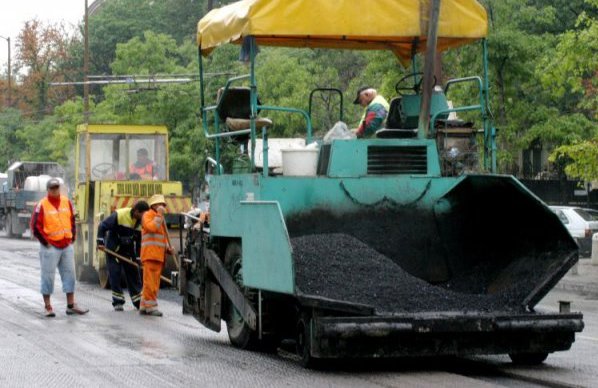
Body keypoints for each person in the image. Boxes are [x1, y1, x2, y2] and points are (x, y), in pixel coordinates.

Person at [31, 178, 89, 318]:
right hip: (50, 247)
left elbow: (72, 221)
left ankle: (71, 305)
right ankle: (48, 307)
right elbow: (35, 227)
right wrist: (46, 243)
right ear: (48, 190)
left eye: (57, 187)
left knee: (70, 275)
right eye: (52, 188)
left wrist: (72, 237)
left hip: (66, 245)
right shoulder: (42, 205)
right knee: (48, 277)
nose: (55, 190)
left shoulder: (66, 202)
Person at [96, 201, 150, 311]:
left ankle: (138, 301)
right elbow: (102, 226)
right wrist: (100, 242)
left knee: (133, 273)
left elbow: (139, 241)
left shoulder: (141, 222)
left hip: (128, 250)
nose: (144, 217)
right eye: (142, 214)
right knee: (115, 273)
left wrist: (139, 258)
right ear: (136, 211)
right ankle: (118, 302)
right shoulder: (119, 215)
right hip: (114, 249)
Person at [139, 194, 173, 316]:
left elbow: (159, 238)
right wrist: (159, 215)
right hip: (150, 255)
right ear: (153, 205)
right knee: (150, 283)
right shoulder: (148, 215)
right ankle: (151, 307)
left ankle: (144, 305)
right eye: (160, 204)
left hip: (157, 255)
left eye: (163, 205)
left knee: (152, 282)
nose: (162, 206)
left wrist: (167, 249)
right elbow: (152, 228)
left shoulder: (159, 218)